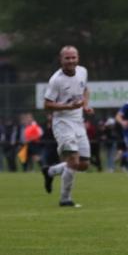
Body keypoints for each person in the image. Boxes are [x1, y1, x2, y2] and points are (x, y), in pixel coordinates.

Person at [39, 46, 92, 207]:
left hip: (78, 122)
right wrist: (68, 107)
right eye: (67, 58)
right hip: (63, 124)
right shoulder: (56, 80)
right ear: (61, 60)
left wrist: (85, 106)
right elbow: (47, 105)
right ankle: (65, 199)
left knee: (84, 164)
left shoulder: (83, 71)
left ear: (78, 58)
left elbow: (86, 90)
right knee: (73, 160)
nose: (71, 61)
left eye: (73, 57)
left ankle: (50, 171)